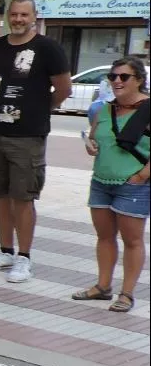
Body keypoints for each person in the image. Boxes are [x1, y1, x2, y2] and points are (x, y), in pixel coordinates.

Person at [0, 0, 72, 283]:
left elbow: (64, 89)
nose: (18, 19)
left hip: (28, 136)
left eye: (24, 14)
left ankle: (24, 258)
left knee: (23, 197)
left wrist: (39, 109)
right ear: (8, 15)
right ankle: (5, 251)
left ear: (34, 17)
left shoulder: (48, 48)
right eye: (14, 14)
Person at [72, 57, 149, 314]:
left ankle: (126, 294)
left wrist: (141, 176)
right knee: (104, 237)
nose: (116, 81)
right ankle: (102, 286)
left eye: (123, 77)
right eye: (113, 76)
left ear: (138, 79)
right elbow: (94, 137)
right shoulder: (104, 109)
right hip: (101, 181)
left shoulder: (148, 109)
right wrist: (91, 146)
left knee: (132, 240)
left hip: (134, 185)